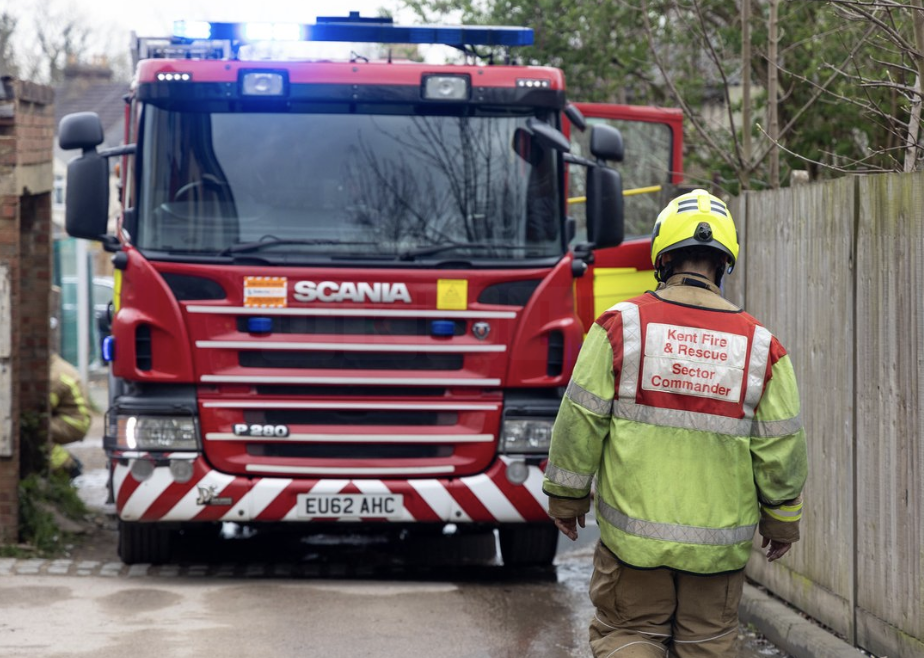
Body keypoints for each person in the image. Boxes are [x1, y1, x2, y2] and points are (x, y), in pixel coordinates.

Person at [543, 189, 808, 657]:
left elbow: (579, 421)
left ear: (661, 257)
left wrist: (566, 496)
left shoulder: (620, 327)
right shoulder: (763, 348)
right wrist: (781, 521)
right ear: (724, 264)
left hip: (633, 551)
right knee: (707, 646)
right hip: (716, 556)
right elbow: (781, 449)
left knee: (628, 638)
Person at [49, 352, 91, 479]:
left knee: (37, 431)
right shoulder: (57, 366)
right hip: (76, 420)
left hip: (72, 422)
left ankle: (67, 465)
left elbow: (43, 406)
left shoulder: (54, 375)